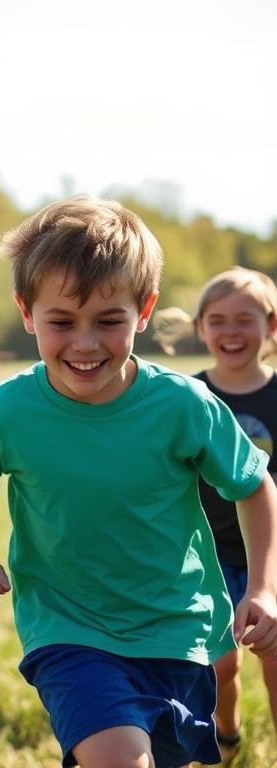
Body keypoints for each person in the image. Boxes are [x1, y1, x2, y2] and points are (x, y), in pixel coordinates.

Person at [0, 196, 277, 768]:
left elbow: (253, 484)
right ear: (26, 312)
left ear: (144, 311)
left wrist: (261, 588)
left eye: (109, 322)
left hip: (179, 632)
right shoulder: (8, 411)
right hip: (69, 630)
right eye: (62, 322)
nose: (86, 344)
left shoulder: (182, 405)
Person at [155, 267, 277, 759]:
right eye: (218, 319)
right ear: (201, 327)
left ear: (271, 326)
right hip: (205, 552)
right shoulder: (187, 398)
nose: (231, 331)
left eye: (245, 320)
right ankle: (226, 727)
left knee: (274, 658)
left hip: (269, 549)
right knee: (220, 663)